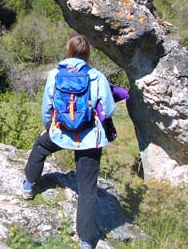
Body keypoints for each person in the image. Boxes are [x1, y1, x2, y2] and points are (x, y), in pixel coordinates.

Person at [21, 34, 116, 249]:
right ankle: (85, 240)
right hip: (90, 137)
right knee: (87, 188)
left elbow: (47, 108)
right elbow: (108, 110)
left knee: (40, 147)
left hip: (61, 131)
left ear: (68, 51)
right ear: (87, 54)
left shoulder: (55, 75)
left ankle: (28, 185)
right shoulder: (96, 76)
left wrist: (49, 128)